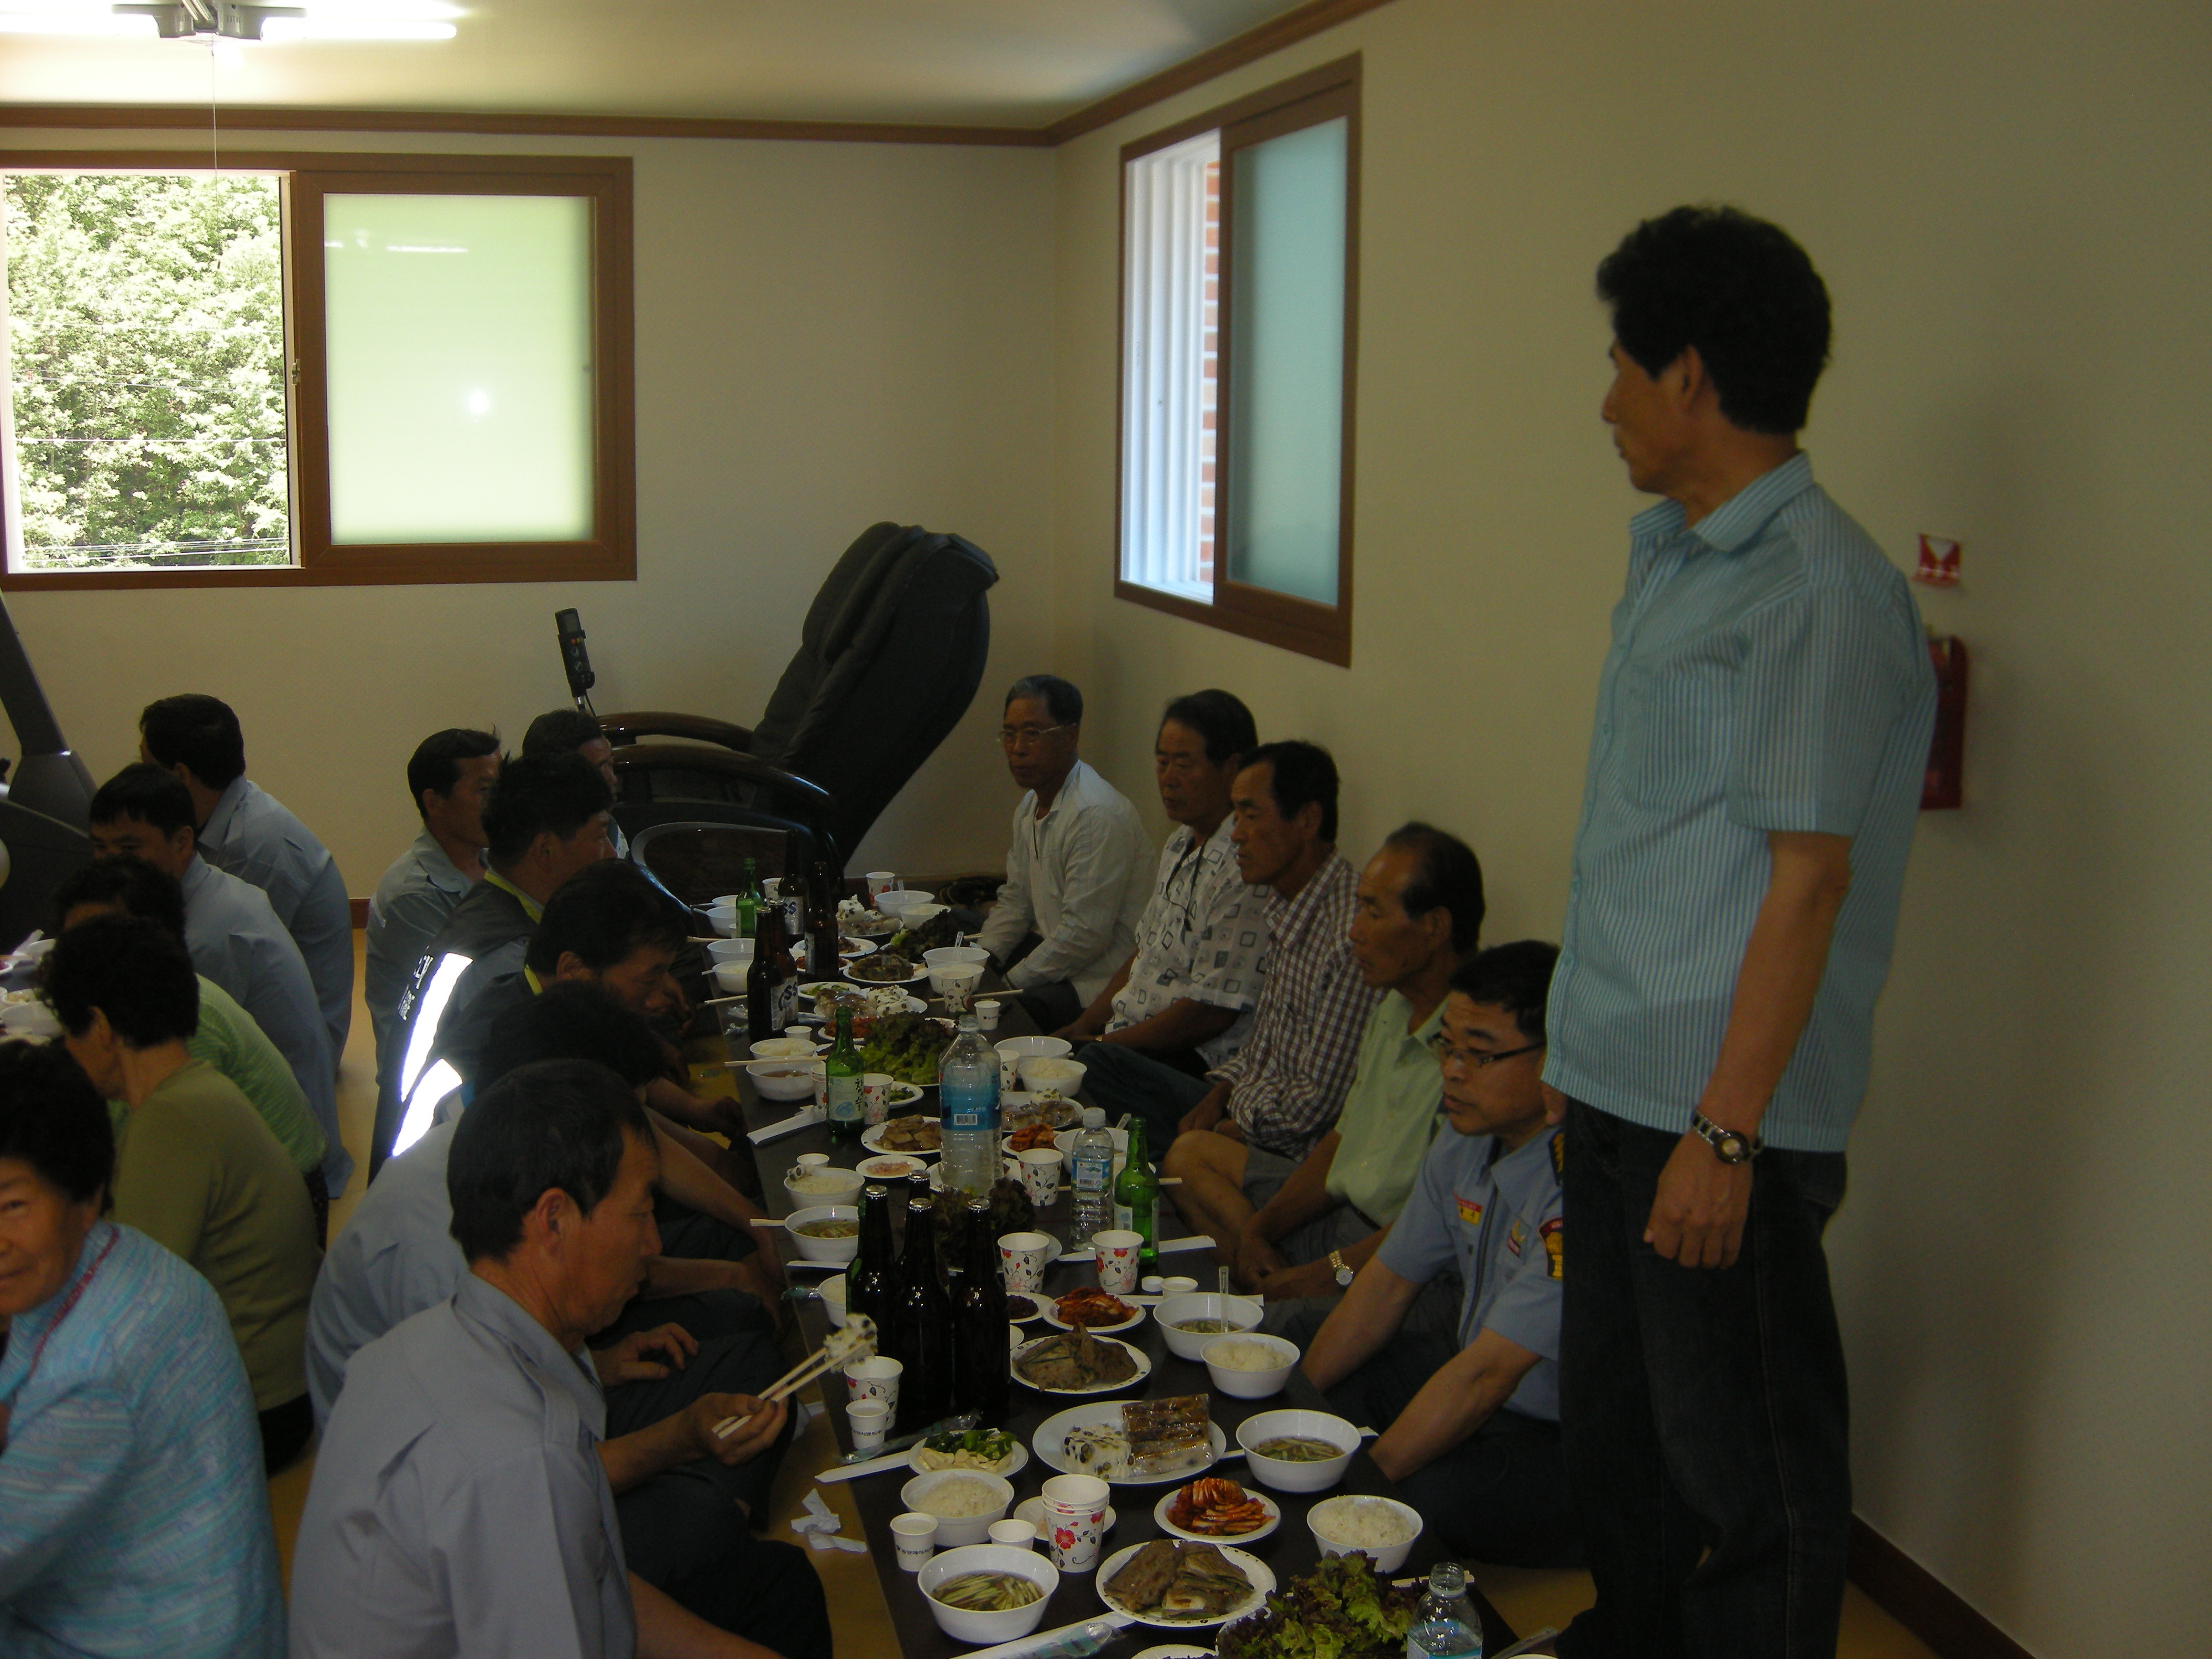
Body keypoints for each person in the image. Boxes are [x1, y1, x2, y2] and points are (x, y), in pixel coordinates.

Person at [1541, 207, 1937, 1659]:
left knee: (1746, 1484)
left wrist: (1723, 1134)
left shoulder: (1817, 591)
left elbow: (1808, 883)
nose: (1606, 402)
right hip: (1614, 1084)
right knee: (1621, 1449)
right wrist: (1584, 1070)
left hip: (1717, 1121)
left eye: (1620, 366)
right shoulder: (1680, 558)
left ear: (1689, 376)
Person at [305, 985, 804, 1644]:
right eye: (640, 1214)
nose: (653, 1244)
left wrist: (677, 1430)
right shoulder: (519, 1455)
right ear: (554, 1219)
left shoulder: (443, 1332)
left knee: (778, 1583)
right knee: (750, 1573)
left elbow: (591, 1567)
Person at [0, 1042, 286, 1659]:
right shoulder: (121, 1260)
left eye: (12, 1206)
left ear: (84, 1194)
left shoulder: (95, 1372)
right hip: (219, 1615)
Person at [1300, 942, 1578, 1569]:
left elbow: (1489, 1375)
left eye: (1480, 1055)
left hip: (1559, 1434)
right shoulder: (1464, 1137)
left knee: (1418, 1500)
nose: (1452, 1071)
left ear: (1556, 1061)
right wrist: (1289, 1423)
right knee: (1308, 1371)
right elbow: (1385, 1286)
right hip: (1470, 1372)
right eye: (1446, 1047)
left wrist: (1359, 1498)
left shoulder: (1578, 1188)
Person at [1170, 824, 1484, 1333]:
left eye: (1373, 913)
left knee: (1257, 1330)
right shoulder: (1394, 1008)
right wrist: (1259, 1230)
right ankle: (1266, 1288)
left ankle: (1274, 1307)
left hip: (1400, 1266)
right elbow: (1340, 1142)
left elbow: (1427, 1230)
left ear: (1434, 926)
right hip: (1341, 1221)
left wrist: (1319, 1276)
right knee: (1188, 1158)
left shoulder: (1473, 1048)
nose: (1354, 931)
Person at [48, 912, 322, 1472]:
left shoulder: (172, 1121)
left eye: (69, 1033)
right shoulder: (196, 1091)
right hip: (282, 1383)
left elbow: (118, 1307)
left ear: (100, 1028)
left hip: (252, 1406)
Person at [430, 861, 783, 1293]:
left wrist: (698, 1114)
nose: (664, 992)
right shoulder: (524, 1063)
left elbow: (631, 1116)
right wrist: (741, 1253)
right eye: (650, 976)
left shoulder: (554, 1011)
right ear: (576, 971)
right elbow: (585, 1262)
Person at [1083, 740, 1378, 1165]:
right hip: (1244, 1103)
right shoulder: (1285, 904)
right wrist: (1218, 1096)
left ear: (1307, 820)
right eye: (1235, 816)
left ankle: (1163, 1171)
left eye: (1251, 816)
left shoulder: (1350, 934)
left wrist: (1229, 1125)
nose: (1236, 834)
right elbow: (1262, 1050)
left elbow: (1316, 1106)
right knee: (1100, 1070)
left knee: (1106, 1080)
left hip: (1286, 1147)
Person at [88, 763, 347, 1203]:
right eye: (100, 848)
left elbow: (165, 1078)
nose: (109, 864)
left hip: (286, 1172)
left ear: (182, 842)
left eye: (129, 848)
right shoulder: (211, 893)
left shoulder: (206, 940)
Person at [53, 857, 330, 1223]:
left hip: (279, 1199)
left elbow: (149, 1168)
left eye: (98, 939)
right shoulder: (151, 1000)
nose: (76, 957)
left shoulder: (178, 1028)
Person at [378, 748, 614, 1171]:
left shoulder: (491, 907)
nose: (611, 854)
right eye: (599, 837)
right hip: (437, 1169)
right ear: (546, 850)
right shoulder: (509, 961)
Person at [1054, 690, 1270, 1074]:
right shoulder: (1178, 842)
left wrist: (1101, 1047)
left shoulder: (1245, 866)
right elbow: (1146, 952)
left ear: (1233, 768)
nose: (1168, 779)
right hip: (1127, 1035)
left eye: (1184, 764)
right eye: (1162, 762)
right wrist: (1084, 1026)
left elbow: (1210, 1013)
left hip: (1190, 1058)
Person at [140, 693, 353, 1065]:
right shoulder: (227, 820)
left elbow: (217, 973)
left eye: (146, 766)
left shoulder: (255, 850)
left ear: (179, 775)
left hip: (300, 1052)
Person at [973, 674, 1150, 1032]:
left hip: (1097, 983)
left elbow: (1084, 935)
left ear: (1071, 736)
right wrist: (981, 963)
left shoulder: (1093, 814)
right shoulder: (1030, 805)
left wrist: (1006, 985)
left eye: (1032, 734)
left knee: (1006, 1016)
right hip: (1061, 959)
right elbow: (1017, 900)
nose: (1017, 748)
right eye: (1010, 734)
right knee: (960, 934)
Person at [365, 727, 502, 1113]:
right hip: (431, 1081)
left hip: (477, 1048)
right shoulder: (414, 895)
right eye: (484, 790)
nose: (500, 803)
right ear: (435, 802)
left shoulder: (491, 860)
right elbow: (462, 1004)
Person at [523, 705, 630, 856]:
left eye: (610, 764)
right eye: (598, 770)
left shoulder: (608, 826)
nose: (613, 779)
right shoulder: (534, 848)